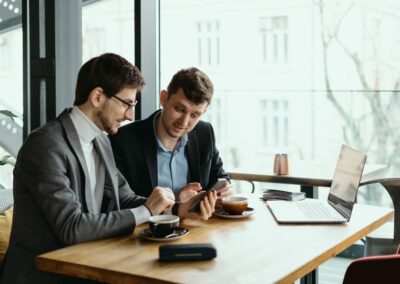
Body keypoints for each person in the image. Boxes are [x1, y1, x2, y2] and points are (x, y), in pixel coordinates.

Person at [0, 54, 217, 284]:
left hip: (87, 265)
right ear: (97, 97)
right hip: (43, 276)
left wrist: (174, 210)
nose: (131, 115)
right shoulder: (45, 145)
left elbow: (124, 197)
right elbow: (72, 228)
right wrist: (147, 211)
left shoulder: (101, 140)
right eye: (127, 103)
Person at [109, 67, 230, 203]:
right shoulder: (123, 140)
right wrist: (176, 204)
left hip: (198, 223)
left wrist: (223, 191)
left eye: (194, 115)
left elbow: (220, 178)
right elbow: (120, 203)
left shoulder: (205, 133)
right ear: (164, 98)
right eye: (180, 109)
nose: (184, 122)